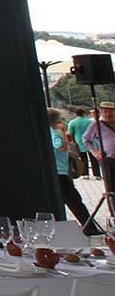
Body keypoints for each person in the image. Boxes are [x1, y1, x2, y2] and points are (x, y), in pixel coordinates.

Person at [48, 108, 100, 236]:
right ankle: (89, 227)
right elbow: (61, 146)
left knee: (71, 200)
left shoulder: (51, 131)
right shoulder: (54, 132)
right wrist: (62, 132)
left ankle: (88, 226)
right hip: (59, 172)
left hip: (59, 171)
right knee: (74, 200)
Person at [82, 101, 115, 190]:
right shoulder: (96, 125)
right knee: (111, 187)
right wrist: (94, 152)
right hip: (108, 160)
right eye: (105, 111)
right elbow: (86, 139)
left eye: (111, 111)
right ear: (101, 113)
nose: (108, 114)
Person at [68, 108, 93, 179]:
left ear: (76, 113)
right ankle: (97, 174)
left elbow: (70, 133)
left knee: (83, 158)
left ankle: (85, 174)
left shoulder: (72, 122)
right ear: (83, 113)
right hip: (90, 141)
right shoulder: (89, 122)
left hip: (79, 141)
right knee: (93, 158)